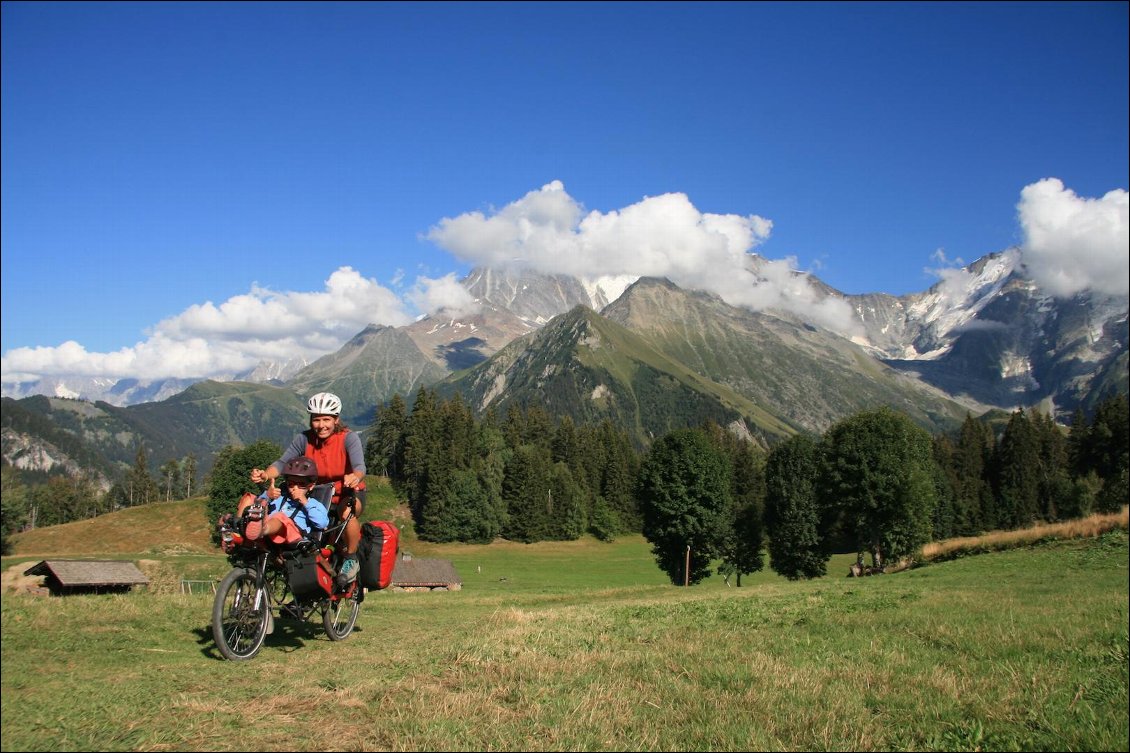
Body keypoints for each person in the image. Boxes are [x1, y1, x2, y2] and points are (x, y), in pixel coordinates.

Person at [250, 392, 366, 587]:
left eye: (327, 419)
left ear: (336, 419)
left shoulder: (349, 438)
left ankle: (351, 559)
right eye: (316, 419)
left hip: (346, 490)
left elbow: (360, 466)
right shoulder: (304, 439)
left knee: (346, 512)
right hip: (315, 493)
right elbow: (281, 463)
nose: (321, 425)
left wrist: (355, 476)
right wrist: (266, 475)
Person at [236, 456, 330, 546]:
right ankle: (237, 532)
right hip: (270, 532)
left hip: (293, 536)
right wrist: (267, 495)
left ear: (311, 486)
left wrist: (305, 502)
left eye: (301, 484)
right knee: (249, 498)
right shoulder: (280, 498)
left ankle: (262, 529)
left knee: (280, 517)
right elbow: (260, 506)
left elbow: (322, 523)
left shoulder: (313, 504)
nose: (294, 488)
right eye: (291, 484)